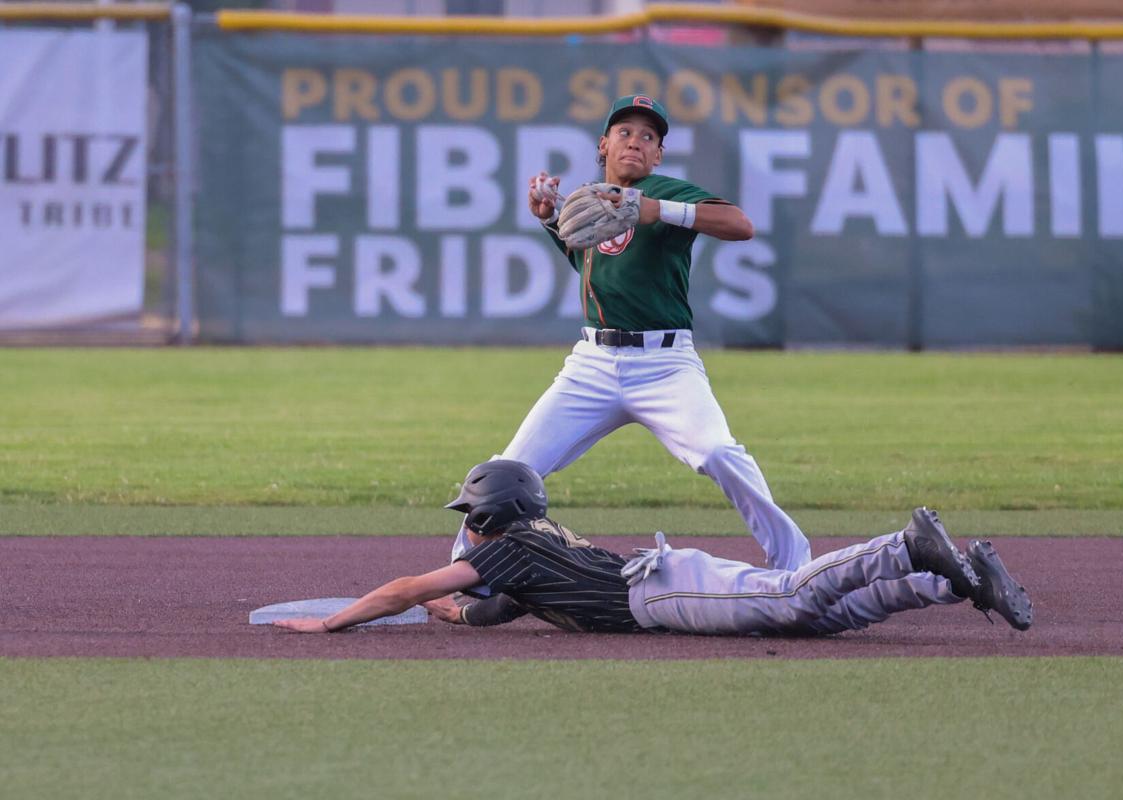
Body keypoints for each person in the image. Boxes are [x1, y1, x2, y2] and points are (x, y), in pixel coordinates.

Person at [451, 94, 809, 576]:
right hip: (592, 365)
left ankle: (795, 568)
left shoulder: (668, 194)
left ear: (659, 154)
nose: (636, 142)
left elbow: (740, 225)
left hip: (665, 364)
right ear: (603, 145)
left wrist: (656, 209)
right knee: (511, 466)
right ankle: (466, 574)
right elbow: (588, 264)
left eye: (648, 137)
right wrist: (547, 217)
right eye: (625, 132)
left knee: (720, 453)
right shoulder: (589, 200)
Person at [275, 460, 1033, 637]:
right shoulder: (527, 550)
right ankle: (958, 579)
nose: (466, 525)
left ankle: (904, 546)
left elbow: (407, 585)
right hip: (661, 575)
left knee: (792, 594)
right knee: (820, 620)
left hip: (657, 591)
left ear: (492, 515)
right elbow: (508, 602)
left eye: (470, 513)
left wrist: (333, 620)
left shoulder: (505, 545)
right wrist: (466, 619)